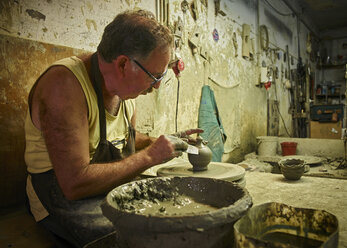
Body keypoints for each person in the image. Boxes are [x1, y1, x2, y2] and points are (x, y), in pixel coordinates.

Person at [24, 9, 203, 247]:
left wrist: (156, 141)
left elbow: (120, 138)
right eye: (155, 76)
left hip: (101, 189)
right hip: (62, 199)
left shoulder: (124, 92)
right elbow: (73, 184)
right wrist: (150, 156)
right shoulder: (64, 86)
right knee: (145, 236)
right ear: (123, 64)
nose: (157, 86)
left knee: (182, 210)